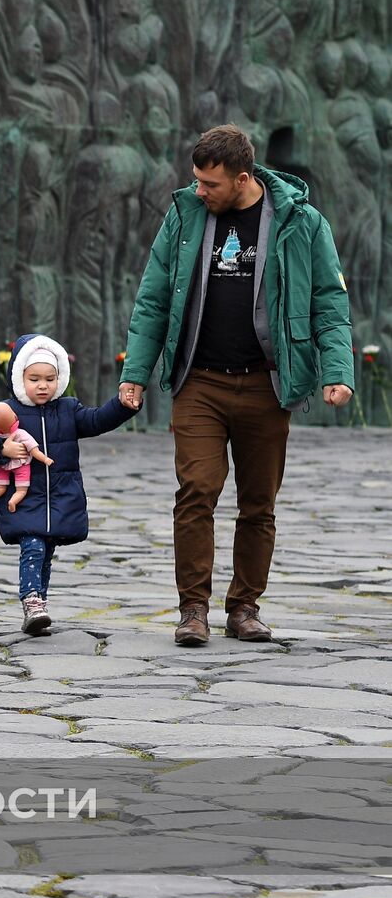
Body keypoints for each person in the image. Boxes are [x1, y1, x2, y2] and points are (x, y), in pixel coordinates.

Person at [118, 124, 354, 646]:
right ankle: (193, 610)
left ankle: (244, 606)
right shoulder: (184, 217)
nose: (200, 191)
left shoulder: (302, 223)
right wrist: (135, 374)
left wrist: (338, 371)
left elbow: (329, 305)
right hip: (199, 382)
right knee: (197, 490)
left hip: (267, 385)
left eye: (210, 184)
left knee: (258, 503)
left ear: (243, 178)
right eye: (197, 181)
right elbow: (153, 299)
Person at [0, 334, 138, 634]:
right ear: (20, 378)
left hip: (59, 495)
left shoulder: (69, 409)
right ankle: (31, 600)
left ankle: (39, 605)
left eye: (49, 378)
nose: (43, 385)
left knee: (46, 551)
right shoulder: (6, 412)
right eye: (34, 379)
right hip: (23, 496)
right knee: (32, 546)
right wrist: (1, 450)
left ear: (59, 379)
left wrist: (123, 406)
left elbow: (98, 419)